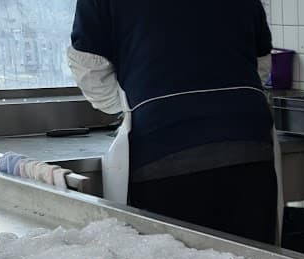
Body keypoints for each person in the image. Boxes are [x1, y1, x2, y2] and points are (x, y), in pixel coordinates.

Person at [68, 0, 278, 244]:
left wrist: (138, 106)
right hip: (249, 142)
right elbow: (261, 64)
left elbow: (90, 71)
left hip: (164, 147)